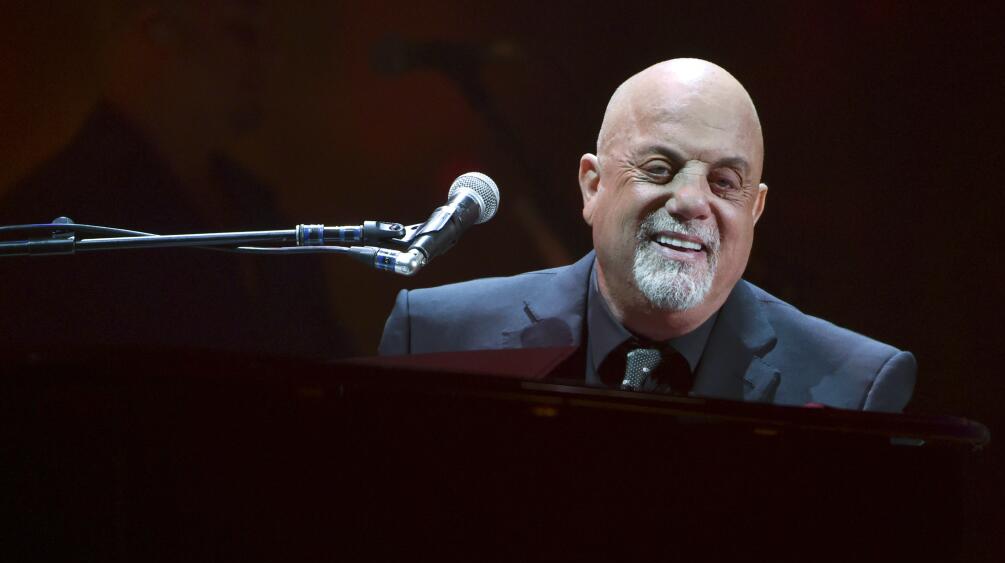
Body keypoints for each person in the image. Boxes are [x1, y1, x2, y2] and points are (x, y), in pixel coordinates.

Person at [378, 58, 915, 410]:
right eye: (659, 169)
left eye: (724, 182)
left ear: (755, 208)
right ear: (593, 186)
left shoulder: (858, 386)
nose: (689, 202)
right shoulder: (433, 337)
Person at [0, 1, 350, 357]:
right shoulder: (52, 222)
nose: (269, 56)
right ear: (158, 30)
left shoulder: (257, 207)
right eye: (242, 32)